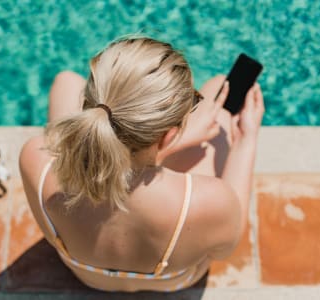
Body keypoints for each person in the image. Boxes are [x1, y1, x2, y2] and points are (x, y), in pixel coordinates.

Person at [19, 37, 264, 292]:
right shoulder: (211, 201)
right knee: (217, 91)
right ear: (169, 134)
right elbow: (225, 250)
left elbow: (115, 188)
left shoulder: (36, 159)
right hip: (173, 280)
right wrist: (247, 138)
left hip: (88, 275)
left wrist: (165, 148)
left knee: (66, 81)